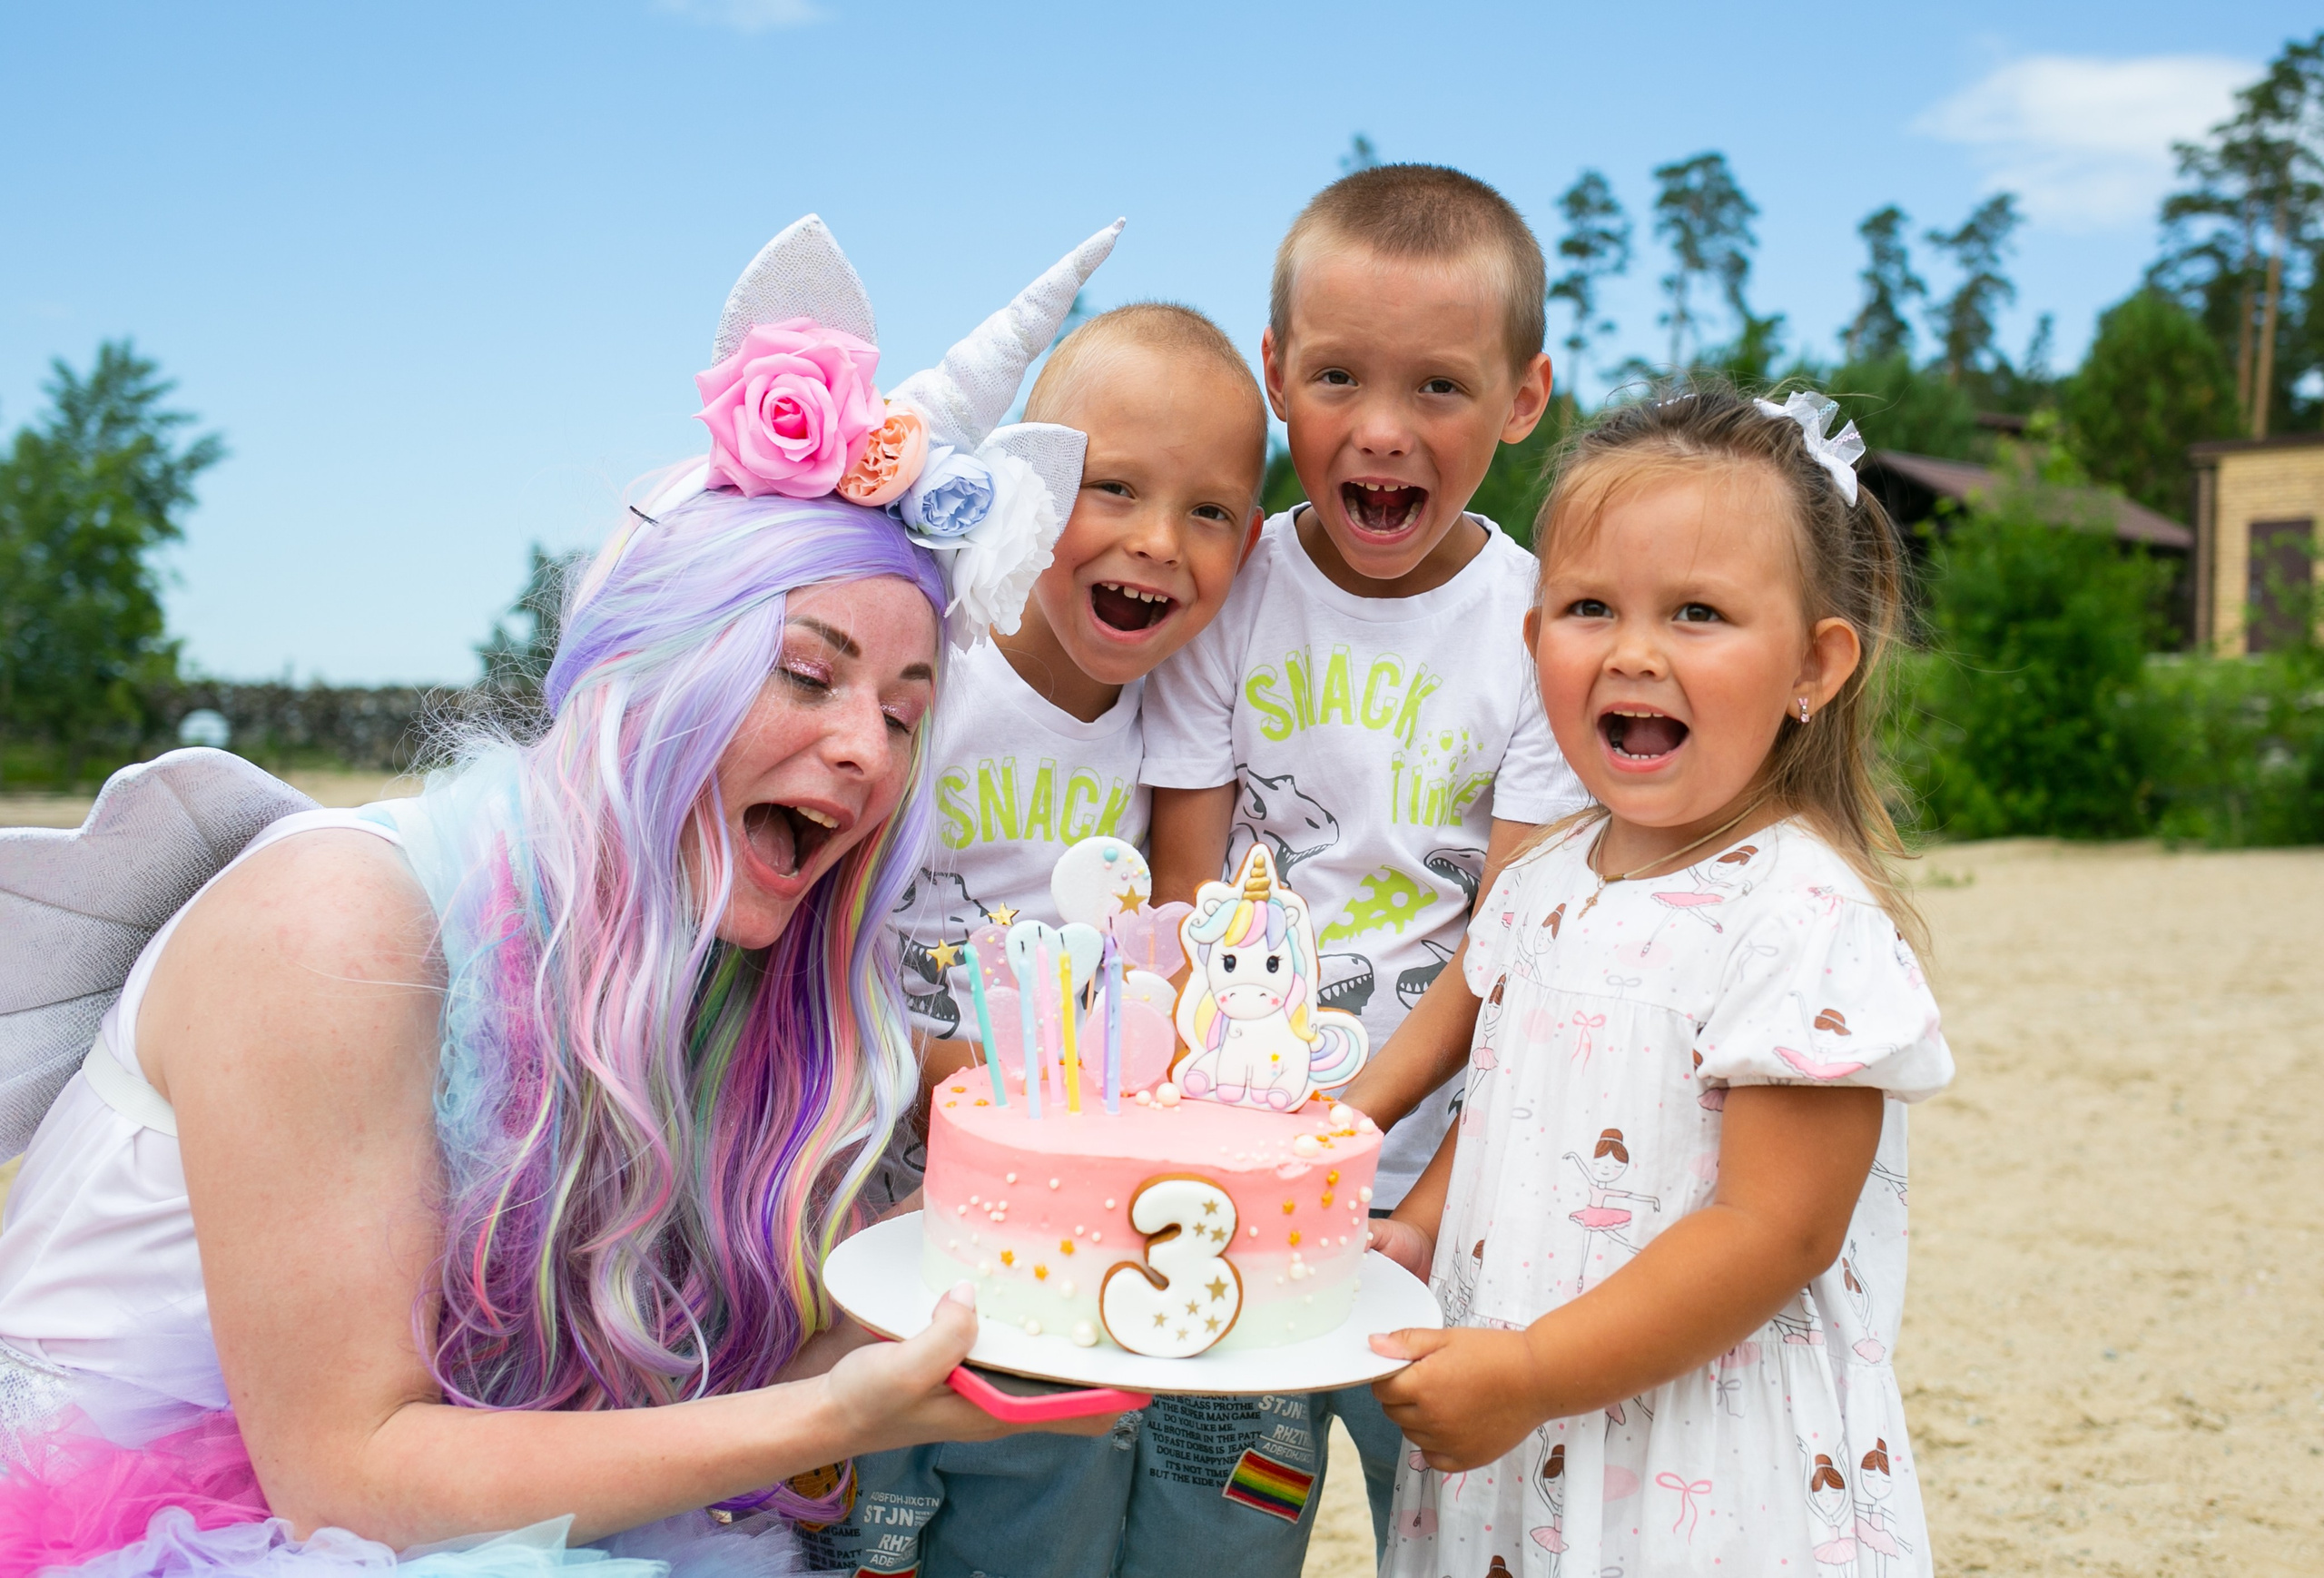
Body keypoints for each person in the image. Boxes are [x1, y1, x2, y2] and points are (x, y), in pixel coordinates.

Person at [0, 213, 1119, 1573]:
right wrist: (829, 1415)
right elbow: (348, 1481)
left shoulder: (708, 973)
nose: (865, 751)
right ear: (651, 672)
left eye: (904, 712)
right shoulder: (337, 925)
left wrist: (968, 1273)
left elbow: (644, 1411)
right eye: (807, 672)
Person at [1364, 384, 1955, 1576]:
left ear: (1815, 664)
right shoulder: (1537, 882)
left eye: (1698, 613)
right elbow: (1512, 1102)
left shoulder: (1801, 918)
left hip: (1705, 1477)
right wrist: (1413, 1231)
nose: (1633, 651)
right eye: (1589, 607)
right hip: (1516, 1439)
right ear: (1534, 639)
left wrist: (1534, 1372)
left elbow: (1775, 1230)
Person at [1137, 163, 1586, 1573]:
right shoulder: (1230, 591)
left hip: (1444, 1201)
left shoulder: (1540, 627)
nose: (1382, 429)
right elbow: (1185, 903)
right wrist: (1237, 1148)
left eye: (1440, 386)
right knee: (1210, 1533)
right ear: (1277, 372)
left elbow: (1510, 946)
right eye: (1338, 376)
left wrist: (1400, 1172)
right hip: (1234, 1185)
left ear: (1523, 397)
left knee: (1449, 1530)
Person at [809, 302, 1270, 1578]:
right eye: (1110, 487)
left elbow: (1162, 953)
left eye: (1210, 511)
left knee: (1041, 1505)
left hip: (1039, 1223)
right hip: (852, 1189)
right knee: (846, 1513)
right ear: (1022, 482)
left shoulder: (1171, 726)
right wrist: (932, 1068)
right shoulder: (935, 670)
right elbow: (813, 915)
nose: (1156, 540)